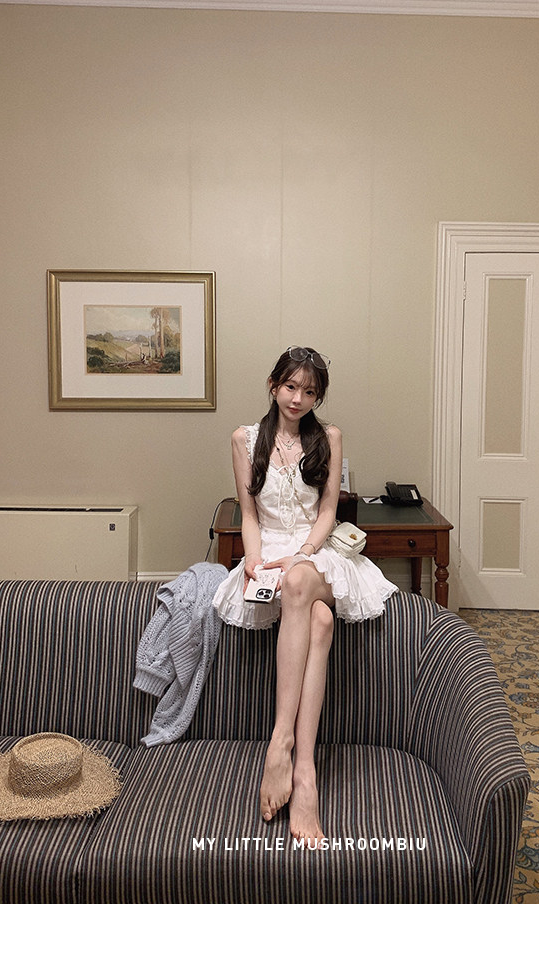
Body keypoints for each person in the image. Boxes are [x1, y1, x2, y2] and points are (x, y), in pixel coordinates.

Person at [212, 346, 397, 845]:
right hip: (270, 555)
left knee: (299, 581)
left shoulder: (328, 438)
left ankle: (280, 743)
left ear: (318, 397)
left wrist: (303, 555)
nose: (298, 399)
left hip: (318, 552)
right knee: (320, 621)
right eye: (291, 387)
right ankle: (306, 773)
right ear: (274, 385)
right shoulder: (244, 439)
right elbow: (249, 515)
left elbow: (328, 513)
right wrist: (253, 561)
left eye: (309, 392)